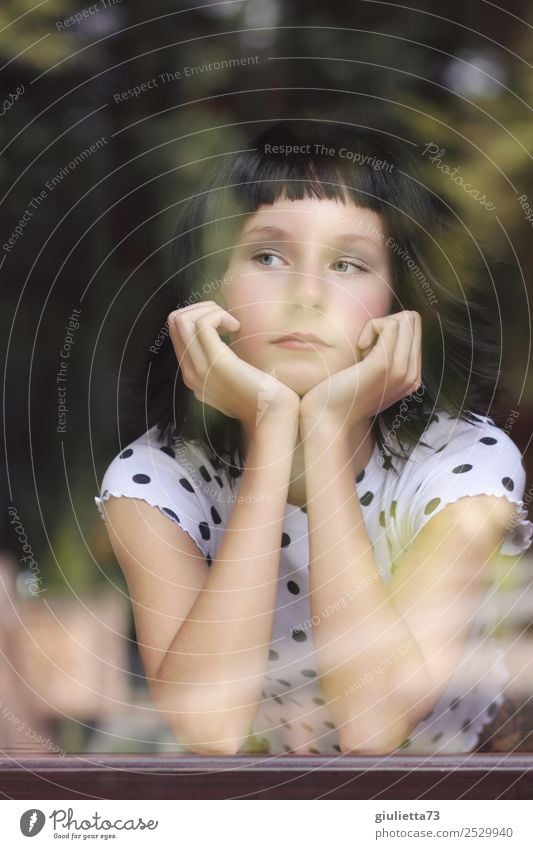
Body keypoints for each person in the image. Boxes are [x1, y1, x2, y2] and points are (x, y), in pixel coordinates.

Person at [94, 120, 533, 756]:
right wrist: (276, 430)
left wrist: (323, 430)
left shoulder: (465, 465)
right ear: (213, 286)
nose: (306, 295)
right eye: (268, 256)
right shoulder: (154, 480)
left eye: (348, 264)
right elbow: (210, 728)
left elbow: (372, 725)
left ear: (396, 305)